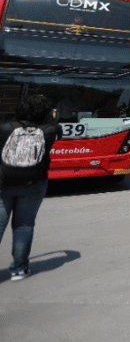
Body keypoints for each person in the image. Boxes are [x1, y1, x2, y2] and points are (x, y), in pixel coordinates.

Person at [0, 95, 60, 281]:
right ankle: (19, 269)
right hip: (34, 183)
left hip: (3, 183)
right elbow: (56, 125)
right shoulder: (50, 130)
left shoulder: (5, 127)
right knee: (24, 226)